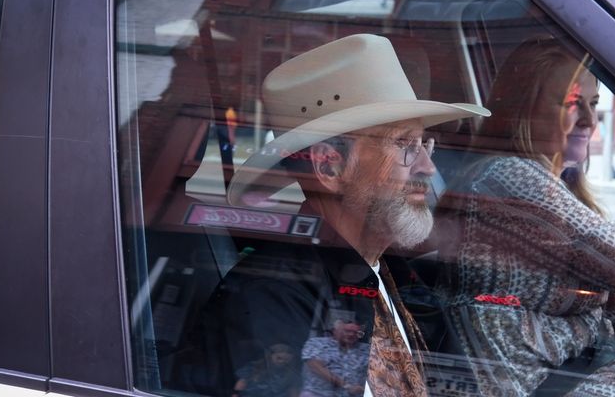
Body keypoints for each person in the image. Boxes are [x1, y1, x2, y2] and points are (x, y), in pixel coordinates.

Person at [433, 36, 615, 396]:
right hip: (553, 384)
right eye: (573, 103)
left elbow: (608, 290)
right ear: (522, 107)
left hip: (593, 367)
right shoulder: (508, 178)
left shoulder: (555, 185)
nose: (589, 120)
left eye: (593, 104)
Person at [201, 34, 490, 397]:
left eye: (425, 145)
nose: (428, 167)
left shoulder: (398, 277)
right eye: (404, 145)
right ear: (330, 167)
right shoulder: (270, 298)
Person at [300, 318, 369, 397]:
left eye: (355, 332)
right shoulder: (317, 343)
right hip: (318, 393)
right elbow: (315, 366)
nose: (351, 334)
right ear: (335, 331)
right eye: (347, 331)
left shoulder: (365, 349)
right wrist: (346, 385)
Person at [231, 343, 299, 397]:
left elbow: (293, 393)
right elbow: (238, 389)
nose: (282, 362)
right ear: (269, 355)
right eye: (279, 358)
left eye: (286, 360)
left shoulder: (291, 375)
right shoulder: (253, 368)